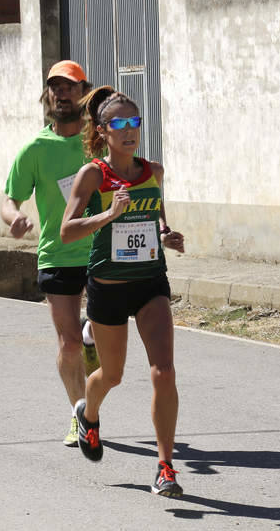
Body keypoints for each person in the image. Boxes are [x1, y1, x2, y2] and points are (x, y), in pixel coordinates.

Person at [60, 86, 186, 497]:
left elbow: (157, 218)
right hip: (108, 287)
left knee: (163, 371)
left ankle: (165, 467)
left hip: (151, 283)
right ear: (103, 130)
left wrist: (166, 234)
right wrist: (108, 214)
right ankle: (88, 414)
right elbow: (67, 231)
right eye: (120, 123)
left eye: (135, 122)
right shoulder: (93, 175)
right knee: (111, 375)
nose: (130, 130)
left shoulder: (154, 171)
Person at [1, 60, 100, 447]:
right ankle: (81, 415)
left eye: (70, 87)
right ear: (47, 95)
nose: (62, 93)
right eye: (55, 87)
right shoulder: (35, 149)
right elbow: (10, 199)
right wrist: (15, 218)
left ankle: (95, 347)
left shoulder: (97, 142)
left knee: (102, 341)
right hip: (57, 255)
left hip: (101, 253)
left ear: (83, 92)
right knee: (69, 343)